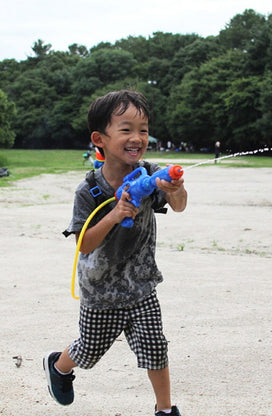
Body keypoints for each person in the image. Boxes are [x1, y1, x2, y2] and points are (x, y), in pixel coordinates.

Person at [43, 90, 187, 416]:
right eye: (126, 129)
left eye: (144, 129)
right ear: (100, 139)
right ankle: (59, 367)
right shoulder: (90, 189)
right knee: (90, 350)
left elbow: (178, 207)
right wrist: (114, 214)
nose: (138, 138)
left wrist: (177, 190)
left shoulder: (150, 175)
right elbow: (85, 244)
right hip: (100, 289)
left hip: (141, 283)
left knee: (155, 348)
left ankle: (165, 410)